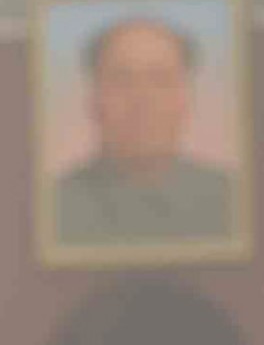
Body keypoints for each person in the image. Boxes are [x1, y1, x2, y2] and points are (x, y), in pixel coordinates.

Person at [56, 18, 232, 245]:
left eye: (161, 80)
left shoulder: (229, 198)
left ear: (186, 99)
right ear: (93, 100)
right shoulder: (57, 204)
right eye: (122, 80)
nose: (142, 100)